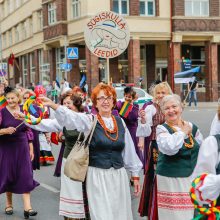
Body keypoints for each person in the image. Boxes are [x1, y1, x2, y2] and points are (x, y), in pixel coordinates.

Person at [37, 83, 142, 220]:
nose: (105, 101)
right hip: (97, 176)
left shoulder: (120, 122)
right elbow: (72, 117)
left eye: (109, 98)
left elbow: (128, 150)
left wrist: (135, 175)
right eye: (101, 98)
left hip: (118, 176)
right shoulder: (89, 120)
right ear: (95, 104)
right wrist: (54, 106)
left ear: (114, 101)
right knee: (101, 215)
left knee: (120, 213)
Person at [16, 93, 89, 220]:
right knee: (72, 195)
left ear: (77, 104)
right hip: (69, 162)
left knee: (87, 194)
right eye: (64, 103)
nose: (66, 106)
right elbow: (43, 124)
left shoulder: (85, 118)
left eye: (69, 103)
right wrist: (24, 118)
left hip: (86, 162)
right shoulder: (63, 121)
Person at [156, 94, 203, 220]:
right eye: (167, 108)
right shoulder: (162, 129)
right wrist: (182, 133)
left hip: (190, 179)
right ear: (163, 112)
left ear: (181, 108)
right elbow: (170, 148)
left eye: (174, 106)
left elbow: (202, 150)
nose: (171, 110)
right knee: (174, 215)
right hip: (170, 179)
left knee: (190, 214)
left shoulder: (191, 127)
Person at [0, 87, 39, 219]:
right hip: (6, 147)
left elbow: (29, 130)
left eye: (13, 98)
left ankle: (28, 207)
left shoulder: (25, 110)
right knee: (8, 175)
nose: (10, 100)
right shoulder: (1, 112)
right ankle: (9, 203)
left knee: (26, 175)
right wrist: (4, 131)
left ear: (18, 98)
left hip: (22, 146)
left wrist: (31, 147)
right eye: (8, 98)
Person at [137, 81, 173, 219]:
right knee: (157, 175)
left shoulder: (170, 106)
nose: (160, 95)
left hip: (171, 145)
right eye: (158, 92)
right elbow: (145, 129)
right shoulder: (152, 108)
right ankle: (155, 207)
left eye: (163, 92)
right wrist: (144, 119)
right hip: (156, 145)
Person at [117, 87, 143, 163]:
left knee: (133, 147)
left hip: (132, 130)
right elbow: (121, 114)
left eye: (129, 97)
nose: (127, 98)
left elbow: (132, 118)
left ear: (133, 98)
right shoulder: (121, 104)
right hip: (123, 129)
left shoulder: (135, 106)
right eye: (126, 96)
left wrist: (130, 105)